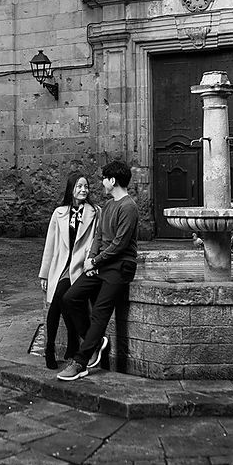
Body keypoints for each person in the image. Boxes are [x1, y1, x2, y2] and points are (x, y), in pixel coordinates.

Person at [57, 160, 139, 381]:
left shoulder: (128, 207)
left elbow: (120, 244)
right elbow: (99, 236)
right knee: (70, 298)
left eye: (104, 179)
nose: (102, 183)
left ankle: (81, 362)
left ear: (113, 180)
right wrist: (91, 259)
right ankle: (94, 340)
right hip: (102, 264)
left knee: (101, 311)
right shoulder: (109, 205)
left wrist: (96, 261)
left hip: (121, 266)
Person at [38, 173, 100, 369]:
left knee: (63, 299)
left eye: (86, 186)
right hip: (61, 266)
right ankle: (50, 347)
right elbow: (50, 244)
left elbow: (96, 241)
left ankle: (73, 344)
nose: (83, 190)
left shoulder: (95, 212)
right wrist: (44, 273)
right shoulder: (59, 213)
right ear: (71, 189)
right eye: (79, 186)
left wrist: (91, 262)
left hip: (80, 266)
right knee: (57, 302)